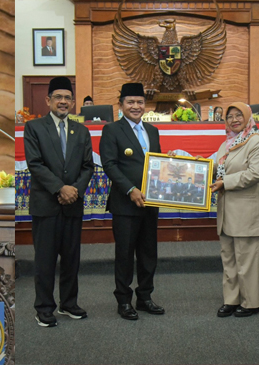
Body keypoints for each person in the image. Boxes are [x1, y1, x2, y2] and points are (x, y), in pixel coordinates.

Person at [24, 76, 95, 327]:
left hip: (73, 204)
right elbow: (35, 164)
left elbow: (88, 167)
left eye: (67, 98)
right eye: (58, 97)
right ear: (48, 100)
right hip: (47, 204)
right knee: (44, 259)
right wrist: (60, 188)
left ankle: (69, 303)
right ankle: (44, 307)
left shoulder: (81, 131)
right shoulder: (34, 128)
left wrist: (74, 190)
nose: (63, 102)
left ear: (73, 102)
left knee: (71, 258)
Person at [100, 83, 163, 320]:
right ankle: (124, 300)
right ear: (121, 105)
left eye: (140, 102)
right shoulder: (112, 130)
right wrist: (130, 189)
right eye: (130, 102)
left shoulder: (153, 130)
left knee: (149, 253)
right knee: (125, 254)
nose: (136, 106)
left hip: (150, 202)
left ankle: (145, 297)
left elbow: (157, 164)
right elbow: (109, 165)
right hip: (126, 204)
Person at [212, 102, 259, 318]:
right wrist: (197, 165)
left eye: (238, 115)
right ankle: (231, 300)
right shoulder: (227, 143)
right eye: (230, 116)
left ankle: (250, 302)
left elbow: (255, 174)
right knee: (229, 259)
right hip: (226, 210)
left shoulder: (256, 142)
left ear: (248, 117)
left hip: (246, 210)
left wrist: (224, 182)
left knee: (246, 260)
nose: (234, 120)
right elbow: (218, 167)